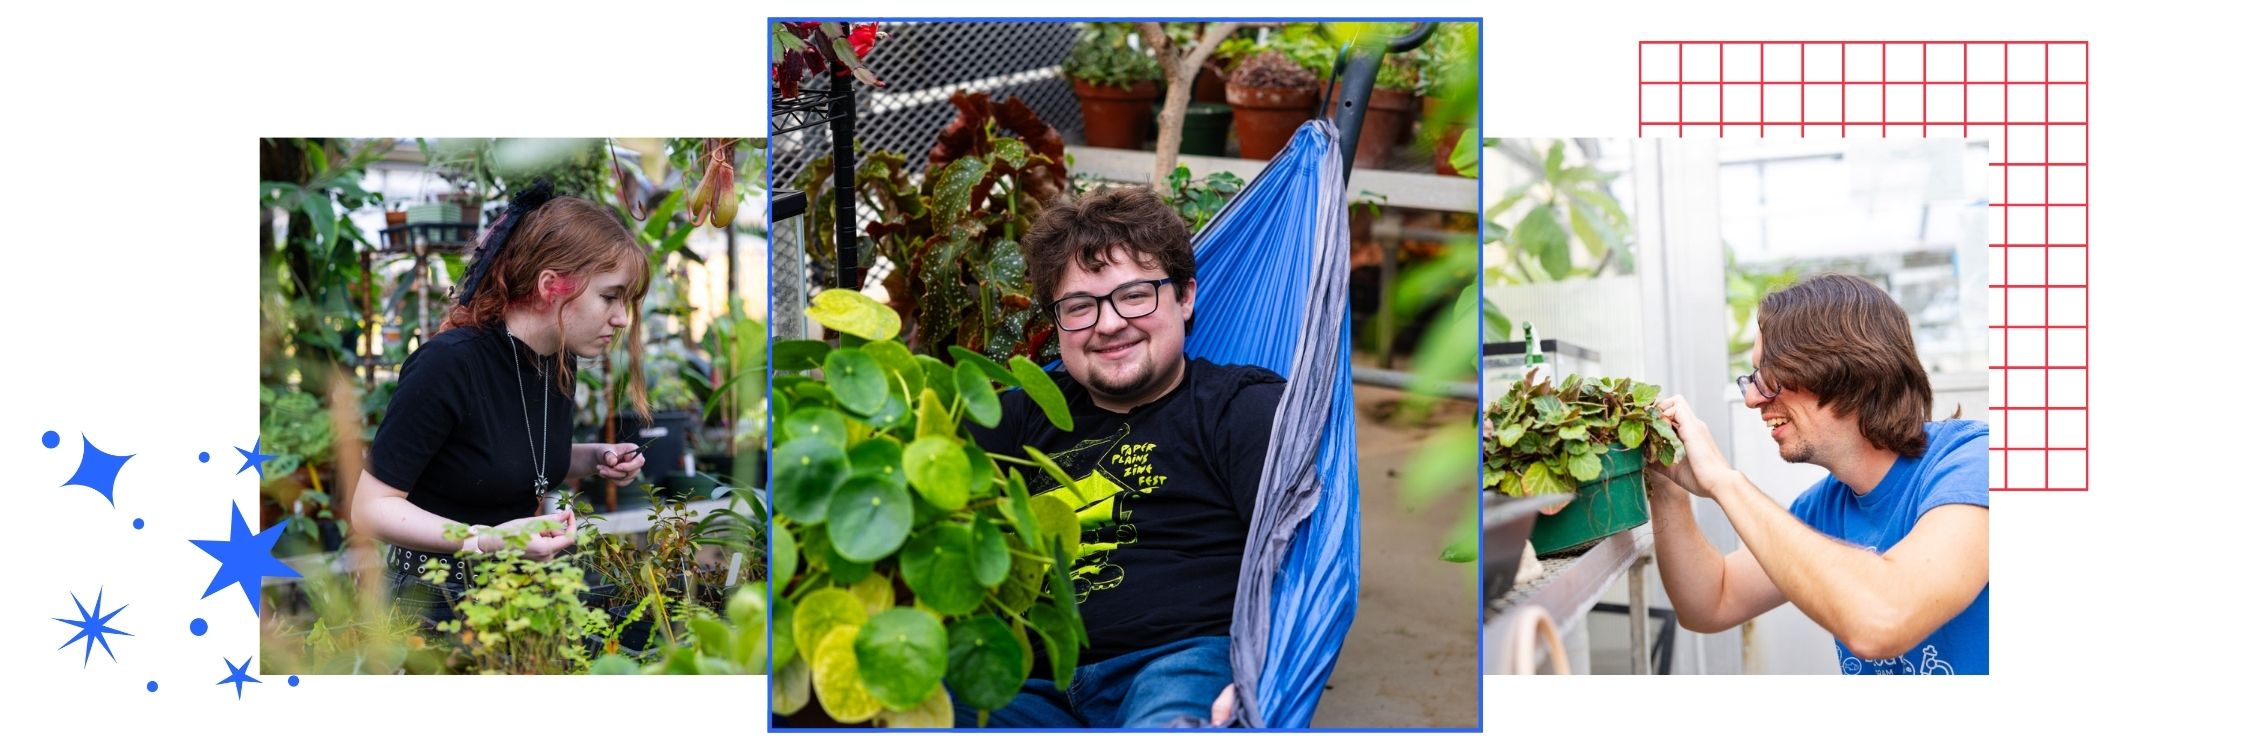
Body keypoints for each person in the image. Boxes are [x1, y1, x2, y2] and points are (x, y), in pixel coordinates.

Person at [961, 186, 1283, 726]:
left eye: (1135, 295)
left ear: (1184, 297)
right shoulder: (1016, 418)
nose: (1108, 324)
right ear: (1056, 324)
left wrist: (1267, 669)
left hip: (1178, 661)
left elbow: (1300, 559)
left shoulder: (1239, 407)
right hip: (1026, 680)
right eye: (1080, 307)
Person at [1648, 273, 1989, 675]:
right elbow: (1711, 602)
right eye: (1754, 378)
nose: (1754, 398)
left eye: (1771, 375)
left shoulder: (1976, 462)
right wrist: (1667, 485)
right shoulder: (1825, 507)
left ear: (1848, 370)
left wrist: (1724, 480)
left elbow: (1884, 618)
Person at [349, 186, 652, 623]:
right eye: (610, 296)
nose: (622, 318)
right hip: (431, 604)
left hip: (515, 591)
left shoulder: (556, 357)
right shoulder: (449, 364)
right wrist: (488, 539)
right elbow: (370, 508)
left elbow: (503, 455)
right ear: (551, 285)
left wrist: (596, 458)